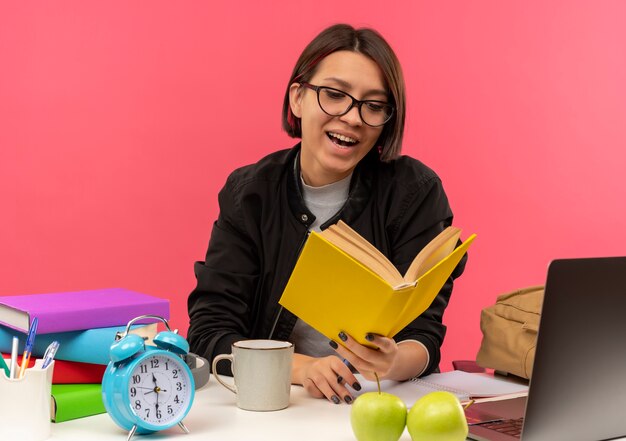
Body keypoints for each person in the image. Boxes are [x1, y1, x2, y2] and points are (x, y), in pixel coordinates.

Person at [187, 23, 467, 405]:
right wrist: (300, 369)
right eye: (335, 95)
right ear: (298, 99)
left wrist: (391, 360)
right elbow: (208, 333)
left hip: (376, 401)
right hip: (276, 405)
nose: (353, 117)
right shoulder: (250, 194)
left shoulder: (414, 192)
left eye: (374, 105)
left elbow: (425, 337)